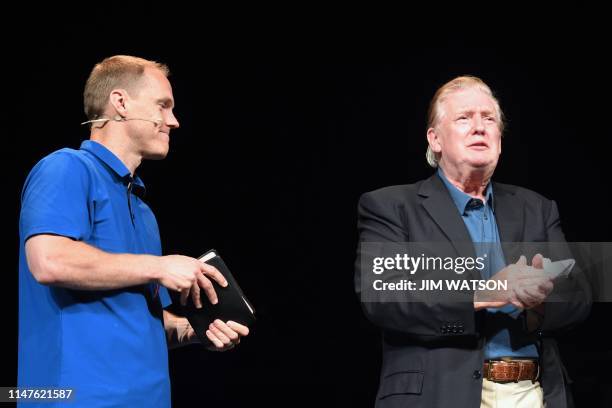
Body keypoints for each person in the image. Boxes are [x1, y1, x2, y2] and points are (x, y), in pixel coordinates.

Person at [18, 55, 249, 407]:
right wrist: (159, 266)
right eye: (163, 106)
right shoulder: (66, 168)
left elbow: (141, 322)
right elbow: (48, 261)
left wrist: (194, 331)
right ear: (121, 103)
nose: (173, 121)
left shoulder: (143, 211)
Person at [354, 76, 591, 407]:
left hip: (532, 394)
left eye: (489, 119)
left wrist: (539, 301)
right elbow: (384, 296)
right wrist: (489, 292)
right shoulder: (392, 207)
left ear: (499, 139)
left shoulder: (537, 208)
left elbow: (579, 298)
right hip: (439, 395)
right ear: (434, 139)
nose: (480, 127)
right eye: (464, 118)